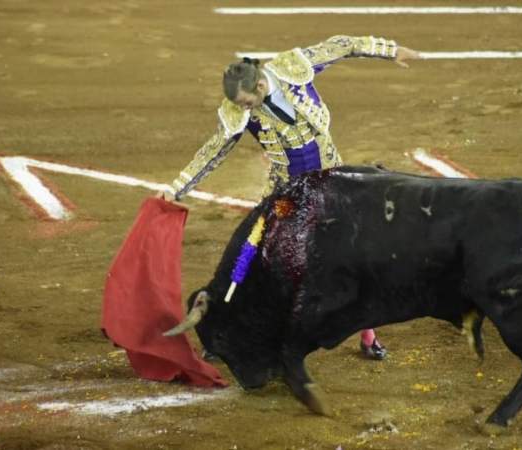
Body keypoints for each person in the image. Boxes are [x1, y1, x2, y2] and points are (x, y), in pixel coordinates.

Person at [161, 35, 420, 360]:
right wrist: (177, 187)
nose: (242, 109)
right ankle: (222, 331)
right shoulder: (238, 110)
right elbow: (214, 151)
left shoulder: (292, 67)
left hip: (334, 184)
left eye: (245, 102)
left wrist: (389, 51)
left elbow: (342, 45)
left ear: (258, 87)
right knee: (251, 256)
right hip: (287, 193)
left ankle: (369, 337)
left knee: (354, 259)